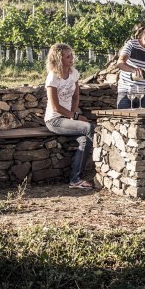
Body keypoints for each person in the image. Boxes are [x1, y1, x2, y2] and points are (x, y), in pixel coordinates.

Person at [43, 43, 95, 189]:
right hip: (54, 120)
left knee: (85, 139)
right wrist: (75, 117)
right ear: (59, 59)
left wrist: (73, 116)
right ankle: (96, 169)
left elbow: (75, 96)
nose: (72, 58)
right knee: (89, 128)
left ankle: (75, 179)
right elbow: (55, 107)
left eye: (72, 55)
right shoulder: (53, 78)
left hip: (68, 119)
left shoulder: (74, 73)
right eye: (68, 56)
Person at [116, 21, 145, 108]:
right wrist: (134, 70)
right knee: (125, 121)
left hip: (144, 94)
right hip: (126, 92)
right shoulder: (131, 44)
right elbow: (120, 63)